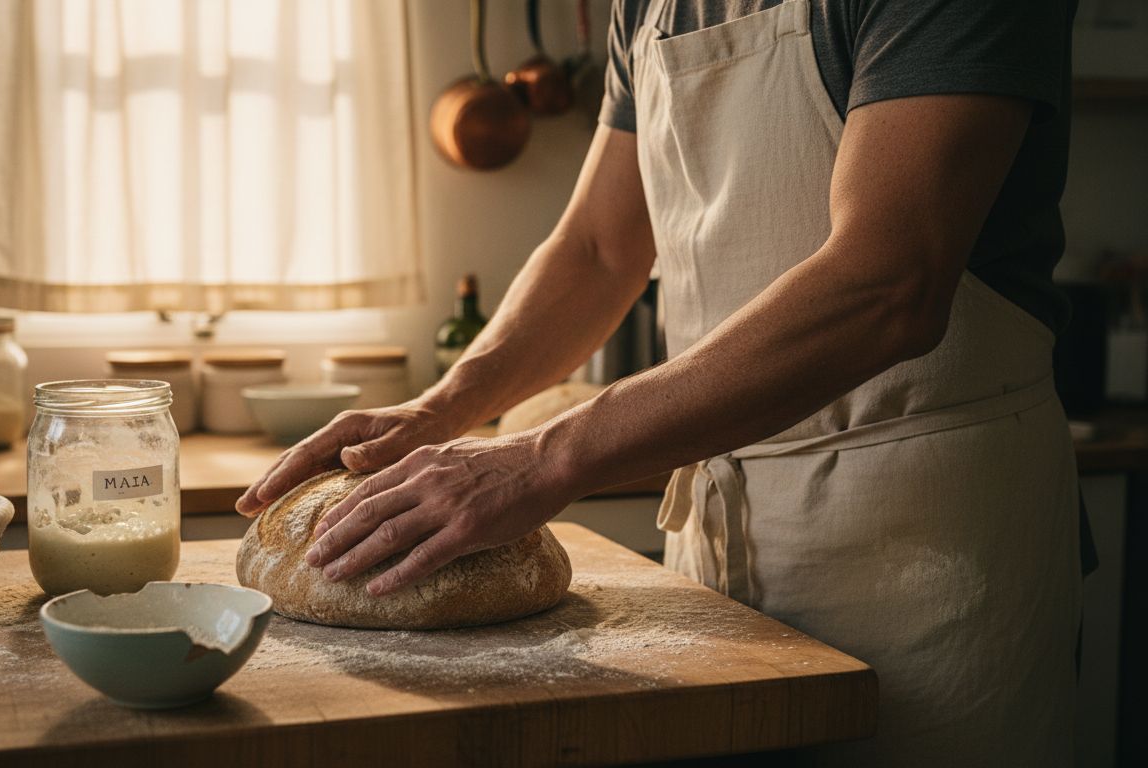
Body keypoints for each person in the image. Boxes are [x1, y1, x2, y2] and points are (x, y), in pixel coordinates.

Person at [238, 0, 1082, 763]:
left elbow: (888, 283)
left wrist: (543, 459)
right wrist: (442, 407)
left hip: (926, 541)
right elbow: (600, 251)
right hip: (722, 532)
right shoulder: (648, 6)